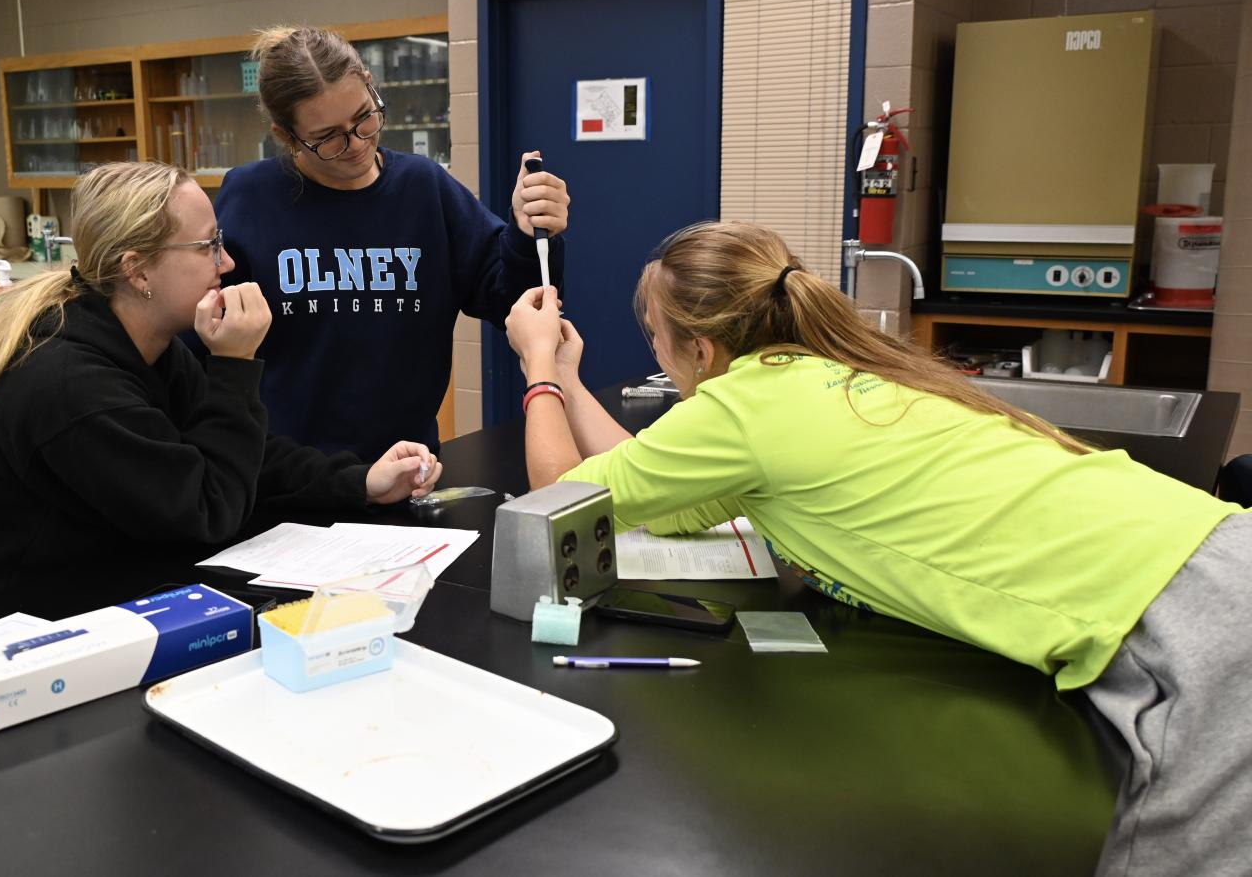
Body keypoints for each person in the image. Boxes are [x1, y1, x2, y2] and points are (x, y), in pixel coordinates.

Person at [504, 220, 1248, 877]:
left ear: (699, 350)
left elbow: (558, 497)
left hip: (1183, 620)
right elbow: (639, 491)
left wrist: (536, 367)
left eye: (657, 342)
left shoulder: (742, 414)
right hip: (1205, 550)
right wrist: (569, 378)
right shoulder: (823, 381)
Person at [0, 162, 442, 610]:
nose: (228, 262)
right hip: (3, 628)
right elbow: (207, 510)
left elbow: (242, 457)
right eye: (208, 246)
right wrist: (234, 364)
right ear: (137, 270)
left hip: (99, 584)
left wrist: (359, 481)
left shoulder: (149, 345)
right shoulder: (71, 384)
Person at [211, 25, 571, 459]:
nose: (357, 143)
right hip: (289, 476)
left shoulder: (424, 188)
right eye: (328, 138)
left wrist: (529, 231)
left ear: (371, 87)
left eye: (365, 116)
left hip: (408, 468)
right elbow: (209, 340)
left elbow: (512, 302)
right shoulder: (251, 196)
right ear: (286, 136)